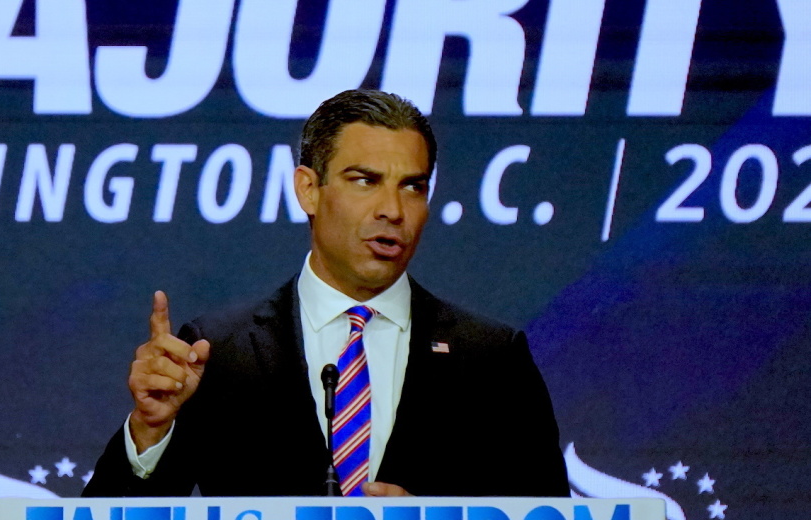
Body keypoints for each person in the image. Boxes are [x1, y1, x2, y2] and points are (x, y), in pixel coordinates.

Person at [83, 89, 569, 498]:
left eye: (413, 187)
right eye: (365, 181)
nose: (393, 210)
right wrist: (150, 431)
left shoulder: (491, 360)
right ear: (308, 190)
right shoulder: (218, 352)